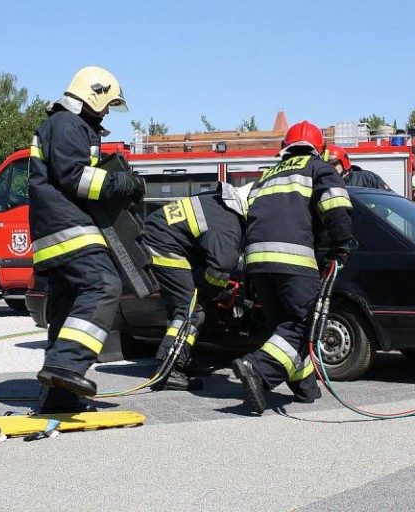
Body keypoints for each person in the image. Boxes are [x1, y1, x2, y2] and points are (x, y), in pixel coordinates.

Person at [28, 66, 145, 413]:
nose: (107, 111)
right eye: (107, 103)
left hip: (55, 230)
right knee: (103, 284)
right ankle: (66, 365)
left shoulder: (67, 125)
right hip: (69, 228)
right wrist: (123, 184)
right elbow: (74, 177)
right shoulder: (68, 124)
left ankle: (58, 396)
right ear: (93, 94)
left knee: (67, 307)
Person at [233, 121, 354, 414]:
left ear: (285, 147)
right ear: (319, 148)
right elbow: (336, 207)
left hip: (258, 263)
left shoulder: (266, 175)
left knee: (285, 328)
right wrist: (340, 246)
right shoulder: (318, 168)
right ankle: (258, 368)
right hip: (294, 260)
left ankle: (305, 388)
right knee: (303, 324)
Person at [142, 181, 253, 391]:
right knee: (191, 310)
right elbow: (220, 270)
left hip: (162, 238)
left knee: (185, 308)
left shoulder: (217, 204)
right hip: (164, 246)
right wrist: (207, 295)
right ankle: (169, 369)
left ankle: (181, 359)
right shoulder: (228, 225)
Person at [323, 144, 392, 190]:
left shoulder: (367, 178)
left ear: (344, 164)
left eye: (334, 164)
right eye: (327, 166)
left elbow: (390, 198)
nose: (330, 169)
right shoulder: (326, 183)